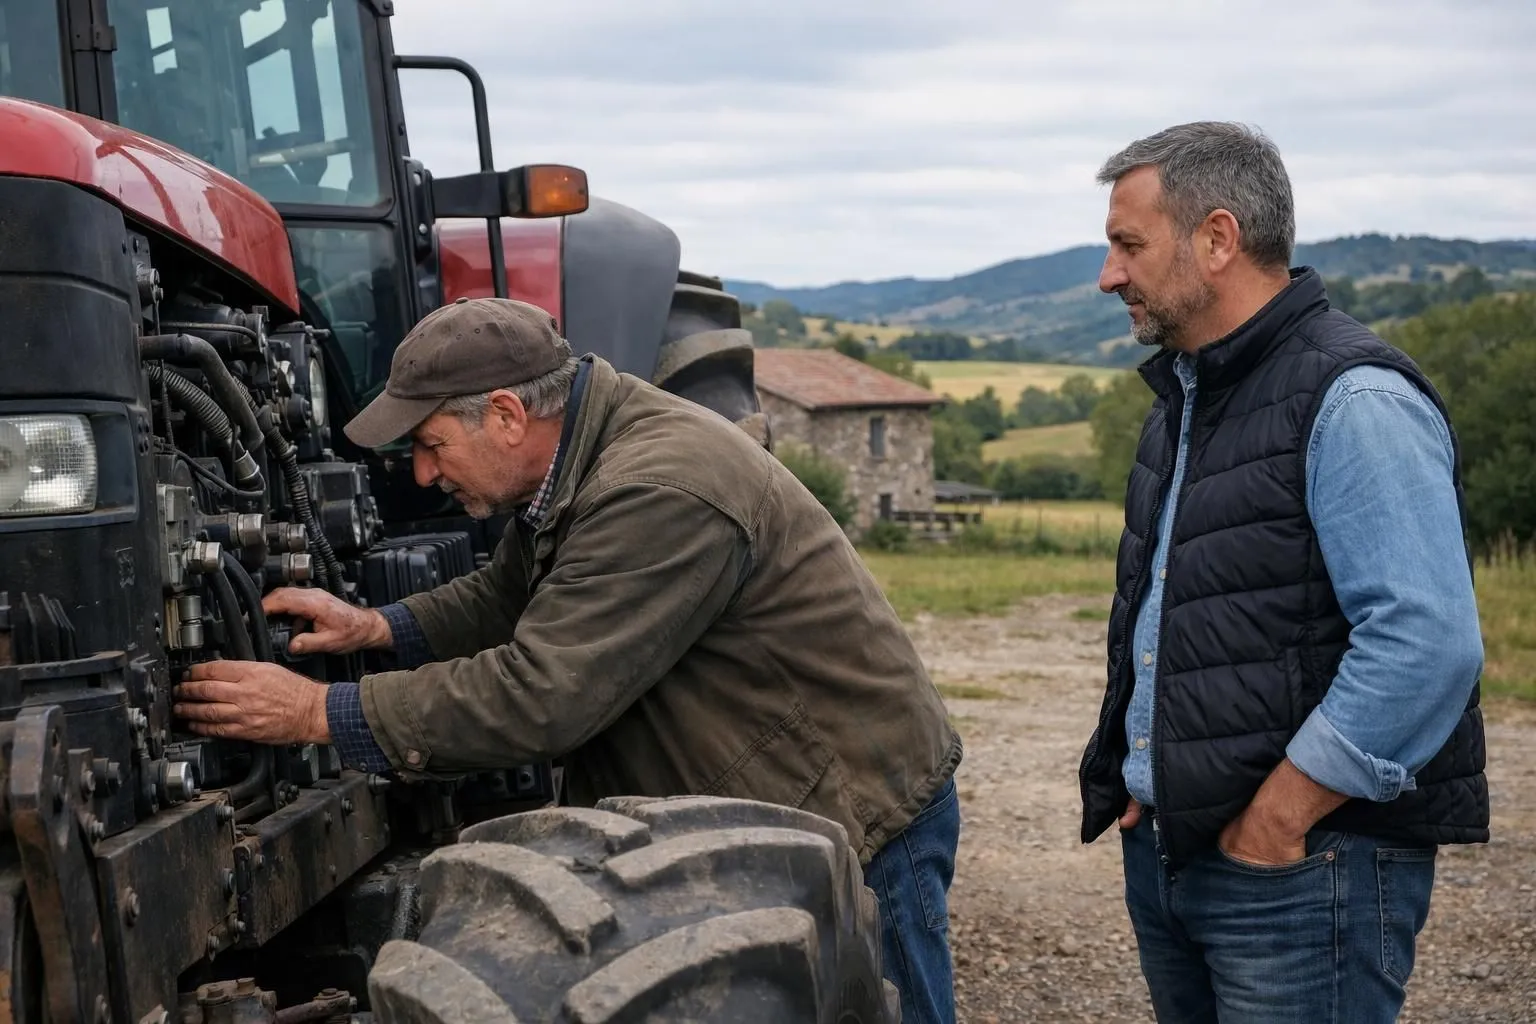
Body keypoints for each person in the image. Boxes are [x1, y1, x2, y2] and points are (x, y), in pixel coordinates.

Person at [174, 296, 963, 1024]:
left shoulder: (656, 486)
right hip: (753, 783)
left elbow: (542, 696)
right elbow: (505, 595)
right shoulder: (578, 458)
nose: (422, 473)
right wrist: (373, 628)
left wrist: (316, 713)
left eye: (430, 444)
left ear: (509, 415)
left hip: (850, 809)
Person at [1078, 122, 1487, 1023]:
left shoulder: (1355, 398)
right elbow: (1190, 620)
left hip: (1303, 871)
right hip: (1181, 852)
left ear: (1217, 239)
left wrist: (1278, 820)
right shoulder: (1188, 397)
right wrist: (1151, 776)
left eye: (1128, 245)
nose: (1110, 275)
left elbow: (1426, 644)